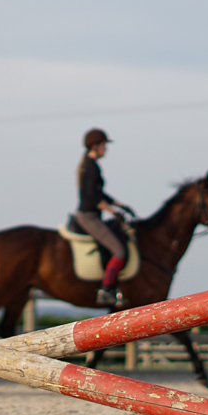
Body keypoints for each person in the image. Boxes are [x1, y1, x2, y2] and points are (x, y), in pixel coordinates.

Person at [73, 128, 135, 307]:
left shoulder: (90, 165)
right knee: (120, 251)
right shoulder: (91, 167)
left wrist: (120, 205)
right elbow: (93, 197)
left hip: (92, 215)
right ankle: (106, 290)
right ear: (95, 146)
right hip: (89, 217)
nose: (106, 149)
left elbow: (101, 194)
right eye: (104, 146)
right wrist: (112, 211)